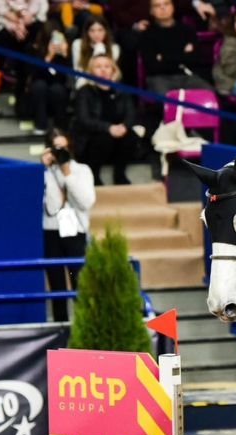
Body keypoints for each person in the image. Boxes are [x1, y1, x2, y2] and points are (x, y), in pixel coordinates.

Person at [41, 128, 96, 322]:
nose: (61, 153)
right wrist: (42, 169)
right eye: (56, 148)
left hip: (74, 232)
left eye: (64, 148)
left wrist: (68, 175)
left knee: (78, 280)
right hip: (50, 232)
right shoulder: (43, 173)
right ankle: (60, 326)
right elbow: (40, 202)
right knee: (57, 285)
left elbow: (86, 202)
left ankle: (84, 324)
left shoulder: (82, 170)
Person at [73, 54, 138, 184]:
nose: (103, 70)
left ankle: (120, 175)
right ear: (91, 71)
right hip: (92, 139)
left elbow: (131, 114)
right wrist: (108, 128)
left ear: (113, 70)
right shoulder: (84, 92)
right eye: (98, 67)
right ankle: (94, 175)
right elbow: (84, 120)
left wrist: (124, 126)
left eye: (107, 66)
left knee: (131, 136)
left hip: (117, 137)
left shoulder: (122, 90)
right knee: (104, 139)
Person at [28, 22, 71, 135]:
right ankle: (40, 125)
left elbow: (67, 78)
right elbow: (36, 76)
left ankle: (60, 127)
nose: (56, 42)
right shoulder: (35, 50)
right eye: (52, 38)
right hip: (40, 96)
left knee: (57, 88)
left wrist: (65, 55)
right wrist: (49, 56)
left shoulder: (66, 52)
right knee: (39, 85)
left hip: (59, 94)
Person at [71, 16, 119, 87]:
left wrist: (100, 48)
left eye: (100, 30)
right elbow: (78, 72)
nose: (96, 34)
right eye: (92, 31)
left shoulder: (114, 48)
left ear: (106, 31)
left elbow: (110, 73)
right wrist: (97, 50)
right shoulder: (78, 44)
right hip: (85, 81)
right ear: (87, 32)